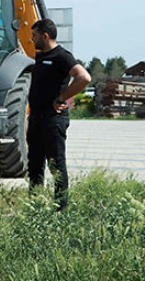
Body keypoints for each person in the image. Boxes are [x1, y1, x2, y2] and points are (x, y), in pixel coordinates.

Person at [28, 18, 91, 211]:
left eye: (34, 36)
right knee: (35, 165)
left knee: (55, 165)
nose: (32, 40)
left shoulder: (61, 56)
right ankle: (35, 206)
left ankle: (60, 209)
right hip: (37, 118)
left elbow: (84, 77)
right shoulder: (40, 56)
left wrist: (62, 97)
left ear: (45, 36)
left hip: (53, 119)